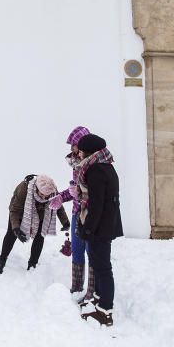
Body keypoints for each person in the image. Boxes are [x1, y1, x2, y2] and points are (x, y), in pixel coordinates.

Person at [74, 133, 122, 327]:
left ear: (89, 151)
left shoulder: (96, 170)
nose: (79, 154)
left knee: (103, 268)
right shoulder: (107, 166)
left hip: (100, 227)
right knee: (99, 263)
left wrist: (88, 229)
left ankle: (105, 311)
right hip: (106, 224)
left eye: (82, 151)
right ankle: (98, 299)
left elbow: (96, 204)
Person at [49, 126, 92, 299]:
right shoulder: (76, 163)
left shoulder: (91, 164)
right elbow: (74, 188)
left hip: (89, 213)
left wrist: (80, 193)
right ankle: (76, 287)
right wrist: (61, 196)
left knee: (91, 251)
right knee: (77, 248)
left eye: (73, 145)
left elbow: (94, 189)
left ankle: (91, 291)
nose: (71, 149)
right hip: (76, 212)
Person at [0, 175, 69, 274]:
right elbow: (15, 210)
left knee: (40, 236)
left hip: (41, 214)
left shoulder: (52, 191)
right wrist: (16, 229)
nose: (44, 197)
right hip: (20, 212)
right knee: (11, 234)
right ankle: (2, 261)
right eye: (42, 194)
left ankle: (32, 264)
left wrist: (65, 221)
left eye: (47, 196)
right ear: (37, 188)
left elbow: (57, 205)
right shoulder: (24, 189)